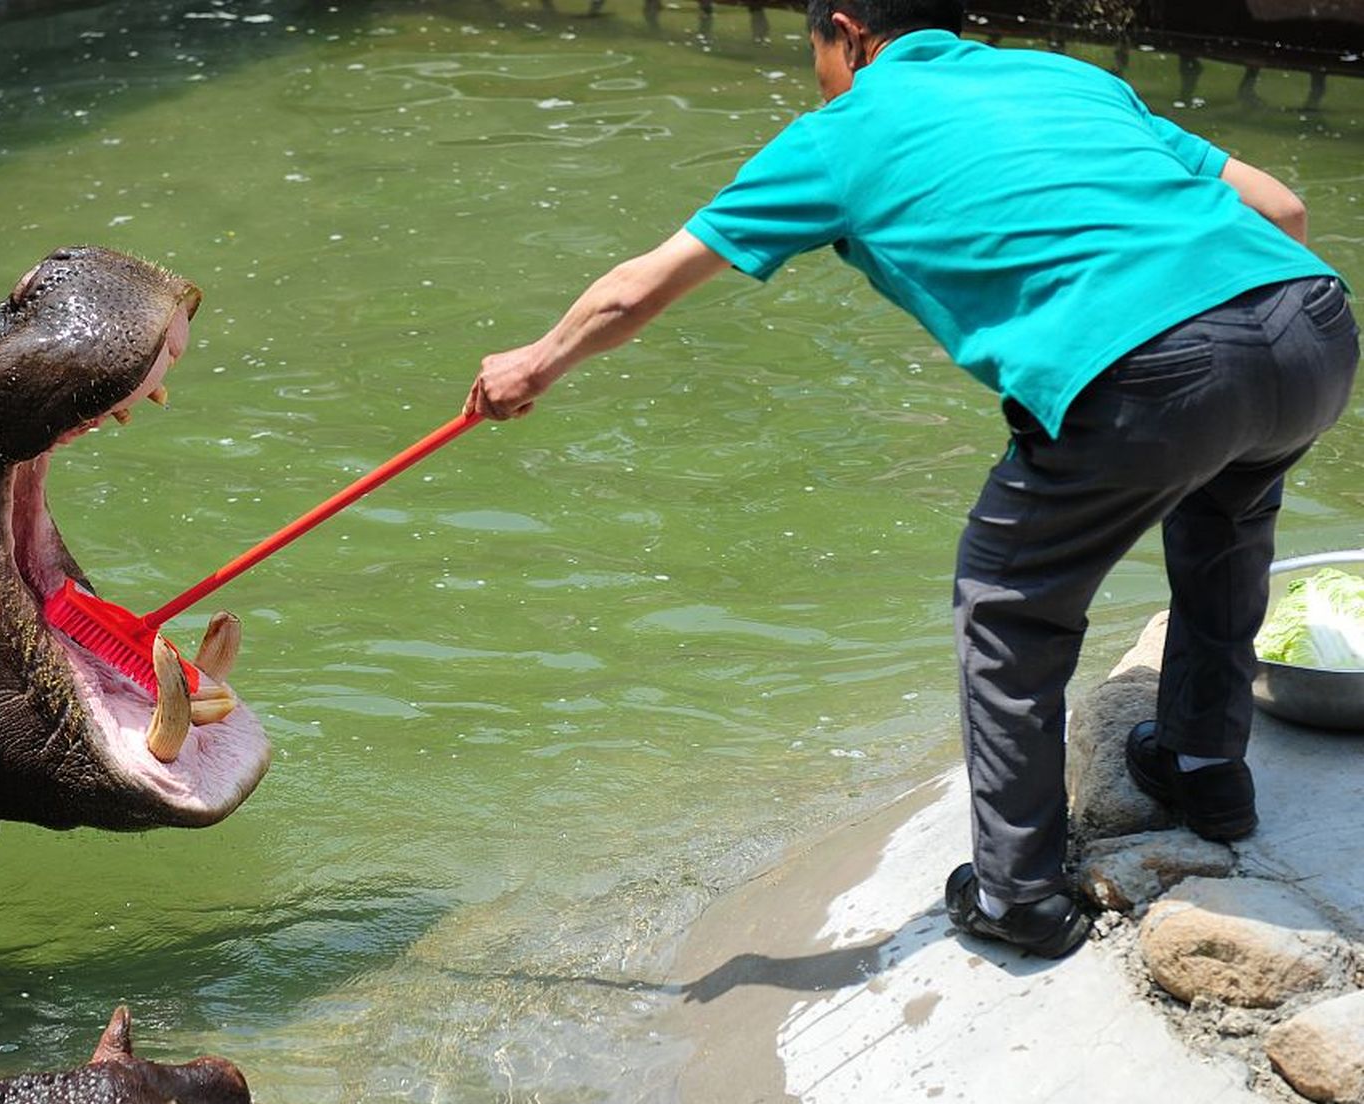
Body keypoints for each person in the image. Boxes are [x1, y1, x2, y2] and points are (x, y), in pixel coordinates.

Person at [465, 0, 1357, 958]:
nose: (817, 72)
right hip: (1307, 324)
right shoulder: (1060, 76)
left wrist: (536, 362)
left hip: (1154, 366)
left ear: (846, 32)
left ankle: (1018, 895)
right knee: (1225, 528)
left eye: (814, 51)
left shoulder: (840, 134)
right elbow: (1282, 208)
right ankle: (1203, 770)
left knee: (1008, 598)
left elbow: (639, 286)